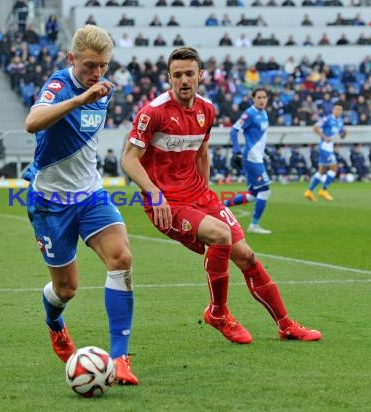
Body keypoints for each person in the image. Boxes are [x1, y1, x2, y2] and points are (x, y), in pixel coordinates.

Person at [121, 47, 322, 345]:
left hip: (199, 195)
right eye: (177, 75)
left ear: (201, 75)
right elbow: (128, 159)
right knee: (220, 235)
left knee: (247, 256)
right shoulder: (153, 113)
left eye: (190, 73)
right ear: (168, 78)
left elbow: (202, 152)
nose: (184, 80)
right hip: (165, 203)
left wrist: (205, 191)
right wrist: (154, 194)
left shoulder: (207, 110)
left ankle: (286, 324)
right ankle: (218, 312)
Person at [23, 25, 138, 385]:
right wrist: (78, 99)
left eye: (103, 65)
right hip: (50, 202)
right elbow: (32, 123)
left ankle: (120, 358)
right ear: (72, 59)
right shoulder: (59, 84)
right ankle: (55, 323)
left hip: (90, 195)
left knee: (122, 258)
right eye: (89, 65)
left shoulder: (105, 87)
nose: (97, 73)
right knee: (66, 289)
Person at [224, 88, 273, 234]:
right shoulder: (249, 114)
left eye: (264, 97)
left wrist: (266, 151)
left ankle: (222, 206)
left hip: (258, 156)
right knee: (265, 191)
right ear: (253, 98)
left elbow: (258, 137)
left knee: (252, 194)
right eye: (259, 97)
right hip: (252, 158)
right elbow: (234, 130)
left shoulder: (264, 113)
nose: (262, 100)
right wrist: (236, 151)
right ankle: (254, 225)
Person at [304, 102, 346, 201]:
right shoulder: (327, 119)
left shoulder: (340, 121)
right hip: (324, 147)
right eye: (336, 109)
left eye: (340, 110)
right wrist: (324, 137)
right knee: (334, 168)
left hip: (330, 147)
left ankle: (309, 191)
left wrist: (345, 133)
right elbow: (315, 127)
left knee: (322, 171)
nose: (338, 111)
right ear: (333, 110)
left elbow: (342, 136)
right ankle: (324, 190)